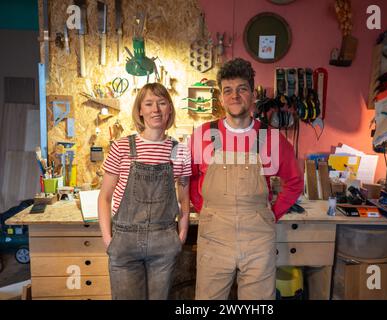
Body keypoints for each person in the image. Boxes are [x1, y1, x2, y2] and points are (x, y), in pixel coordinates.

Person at [190, 58, 303, 300]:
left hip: (257, 238)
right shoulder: (202, 135)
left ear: (253, 94)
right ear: (220, 98)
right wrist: (206, 210)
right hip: (214, 236)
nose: (235, 96)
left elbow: (294, 182)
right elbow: (189, 177)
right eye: (228, 90)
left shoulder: (272, 138)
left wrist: (272, 212)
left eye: (242, 89)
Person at [98, 83, 191, 300]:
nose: (155, 110)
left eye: (161, 103)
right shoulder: (121, 147)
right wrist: (107, 239)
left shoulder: (179, 150)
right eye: (148, 104)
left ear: (169, 108)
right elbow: (104, 197)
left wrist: (182, 235)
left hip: (164, 240)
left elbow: (184, 198)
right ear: (140, 110)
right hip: (125, 242)